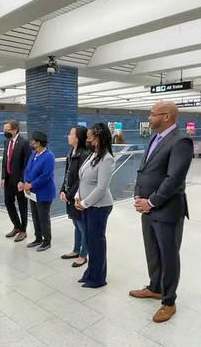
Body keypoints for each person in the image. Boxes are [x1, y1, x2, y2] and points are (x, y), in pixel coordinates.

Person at [130, 101, 193, 323]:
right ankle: (155, 287)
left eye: (152, 114)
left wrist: (152, 202)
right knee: (152, 251)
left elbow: (174, 178)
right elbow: (143, 169)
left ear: (167, 117)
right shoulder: (154, 138)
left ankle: (169, 301)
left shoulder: (181, 141)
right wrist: (138, 194)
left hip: (166, 210)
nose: (149, 117)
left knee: (168, 255)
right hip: (147, 208)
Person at [75, 123, 114, 288]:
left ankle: (97, 278)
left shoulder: (107, 159)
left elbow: (101, 187)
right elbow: (83, 179)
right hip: (87, 205)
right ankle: (90, 272)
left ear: (98, 139)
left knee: (96, 243)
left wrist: (84, 203)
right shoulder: (93, 155)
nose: (87, 139)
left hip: (99, 207)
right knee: (90, 242)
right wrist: (78, 196)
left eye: (90, 137)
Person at [60, 126, 90, 267]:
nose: (68, 136)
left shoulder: (84, 154)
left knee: (82, 226)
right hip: (70, 195)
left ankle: (83, 254)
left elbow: (81, 179)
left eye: (71, 134)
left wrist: (69, 194)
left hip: (79, 196)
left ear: (78, 137)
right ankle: (76, 249)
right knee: (76, 224)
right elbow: (67, 175)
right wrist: (62, 190)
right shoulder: (71, 153)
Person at [23, 131, 56, 251]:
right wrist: (26, 182)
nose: (31, 142)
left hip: (44, 192)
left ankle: (46, 241)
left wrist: (31, 185)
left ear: (39, 142)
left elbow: (45, 176)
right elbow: (27, 169)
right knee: (35, 216)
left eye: (33, 141)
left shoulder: (49, 156)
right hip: (32, 192)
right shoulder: (33, 154)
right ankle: (38, 238)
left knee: (43, 217)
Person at [1, 119, 31, 242]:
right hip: (8, 179)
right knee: (8, 203)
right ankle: (17, 226)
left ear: (15, 130)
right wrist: (3, 176)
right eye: (4, 130)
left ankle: (23, 230)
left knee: (22, 205)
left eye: (7, 130)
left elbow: (26, 164)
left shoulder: (24, 143)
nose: (5, 132)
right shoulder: (7, 142)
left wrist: (22, 180)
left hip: (19, 181)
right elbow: (4, 160)